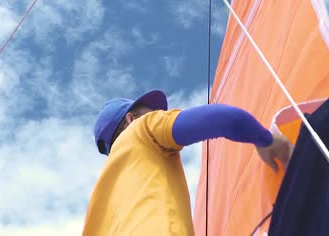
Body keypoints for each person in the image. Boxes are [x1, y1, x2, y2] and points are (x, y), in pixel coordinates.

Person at [82, 89, 294, 236]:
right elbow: (227, 118)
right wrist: (265, 140)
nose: (160, 114)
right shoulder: (141, 129)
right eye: (153, 112)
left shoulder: (100, 201)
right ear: (131, 119)